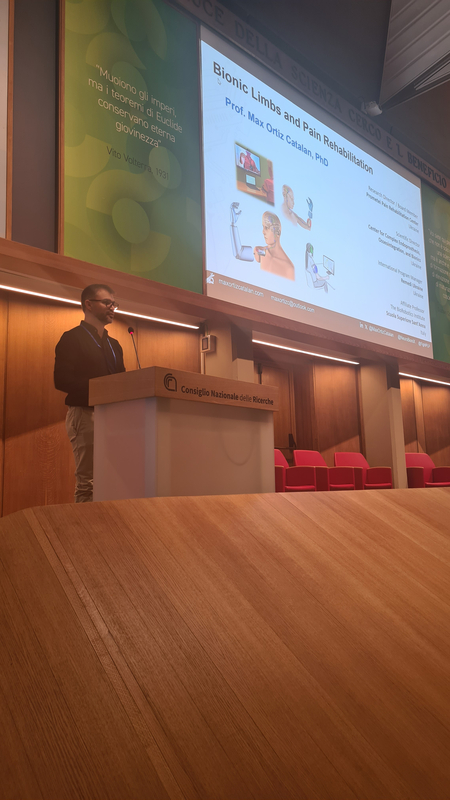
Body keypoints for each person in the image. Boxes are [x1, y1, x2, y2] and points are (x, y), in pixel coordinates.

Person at [54, 284, 125, 502]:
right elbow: (61, 380)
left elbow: (123, 381)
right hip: (85, 414)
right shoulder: (72, 338)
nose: (112, 307)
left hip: (112, 416)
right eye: (107, 302)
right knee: (89, 482)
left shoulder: (114, 345)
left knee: (112, 478)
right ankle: (84, 524)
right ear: (89, 304)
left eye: (114, 303)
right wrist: (101, 386)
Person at [253, 212, 295, 280]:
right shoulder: (259, 252)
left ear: (278, 233)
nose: (263, 232)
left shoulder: (288, 268)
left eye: (267, 228)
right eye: (263, 227)